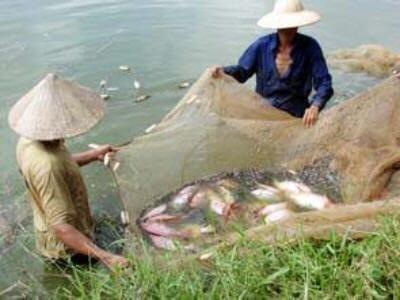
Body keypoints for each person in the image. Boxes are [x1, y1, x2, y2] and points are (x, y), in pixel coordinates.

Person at [8, 73, 129, 270]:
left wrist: (93, 154)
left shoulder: (29, 141)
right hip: (69, 250)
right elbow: (61, 228)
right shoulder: (47, 166)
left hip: (67, 229)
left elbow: (61, 164)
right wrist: (107, 257)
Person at [213, 0, 334, 127]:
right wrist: (222, 71)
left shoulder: (310, 47)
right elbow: (242, 72)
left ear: (298, 25)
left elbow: (324, 83)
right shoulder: (261, 46)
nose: (288, 27)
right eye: (285, 24)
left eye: (292, 24)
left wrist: (315, 106)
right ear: (277, 24)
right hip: (262, 114)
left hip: (295, 116)